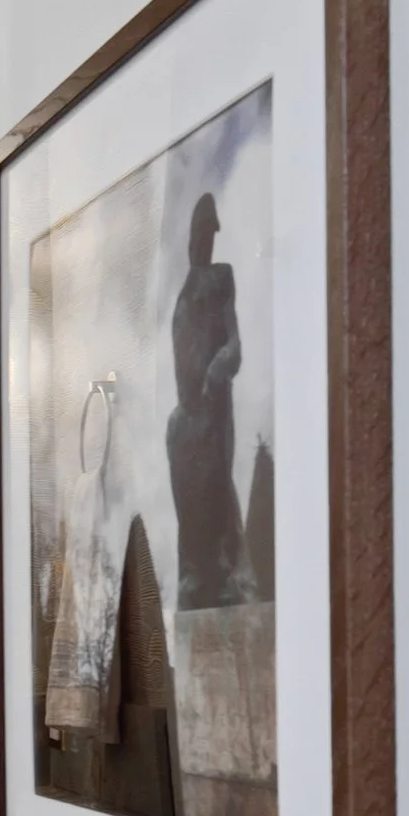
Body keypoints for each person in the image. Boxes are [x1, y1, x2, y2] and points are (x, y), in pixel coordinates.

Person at [166, 190, 248, 607]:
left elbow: (234, 343)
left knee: (214, 484)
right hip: (187, 413)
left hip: (212, 406)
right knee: (188, 494)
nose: (199, 241)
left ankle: (218, 569)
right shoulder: (183, 294)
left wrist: (218, 369)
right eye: (196, 233)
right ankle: (194, 571)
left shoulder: (220, 278)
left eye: (205, 232)